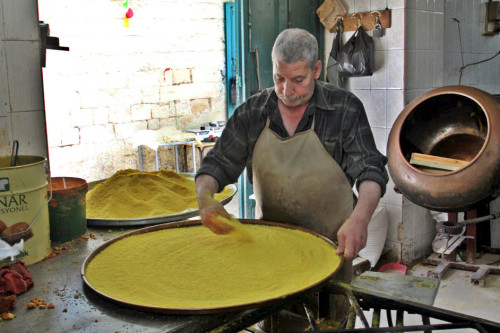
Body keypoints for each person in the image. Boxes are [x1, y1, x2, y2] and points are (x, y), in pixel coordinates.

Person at [195, 28, 388, 325]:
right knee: (278, 323)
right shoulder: (253, 112)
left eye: (298, 80)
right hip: (271, 253)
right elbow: (217, 164)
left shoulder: (344, 109)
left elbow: (371, 171)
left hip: (331, 252)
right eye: (279, 78)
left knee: (328, 325)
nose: (287, 90)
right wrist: (205, 199)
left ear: (317, 69)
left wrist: (360, 219)